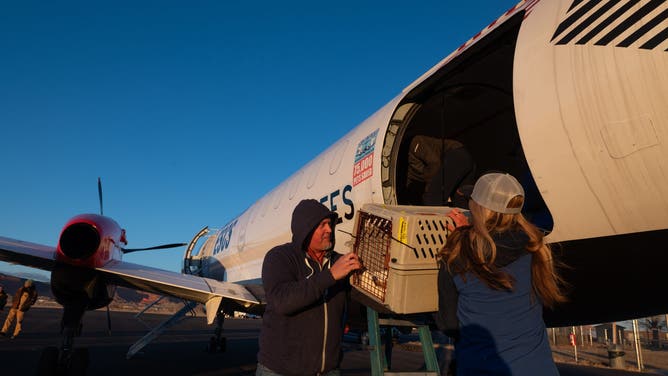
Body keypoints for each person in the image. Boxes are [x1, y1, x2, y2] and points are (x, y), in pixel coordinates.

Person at [436, 173, 567, 375]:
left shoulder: (456, 254)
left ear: (479, 208)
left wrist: (460, 238)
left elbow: (449, 325)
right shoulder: (536, 249)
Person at [256, 199, 362, 376]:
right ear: (306, 229)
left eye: (329, 224)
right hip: (280, 371)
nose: (329, 229)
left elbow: (351, 305)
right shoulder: (280, 257)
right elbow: (282, 302)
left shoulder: (339, 261)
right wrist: (330, 276)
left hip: (328, 370)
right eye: (322, 225)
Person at [406, 135, 475, 207]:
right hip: (465, 160)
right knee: (460, 200)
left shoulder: (416, 142)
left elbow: (435, 163)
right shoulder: (409, 167)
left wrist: (429, 187)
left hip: (456, 155)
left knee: (432, 199)